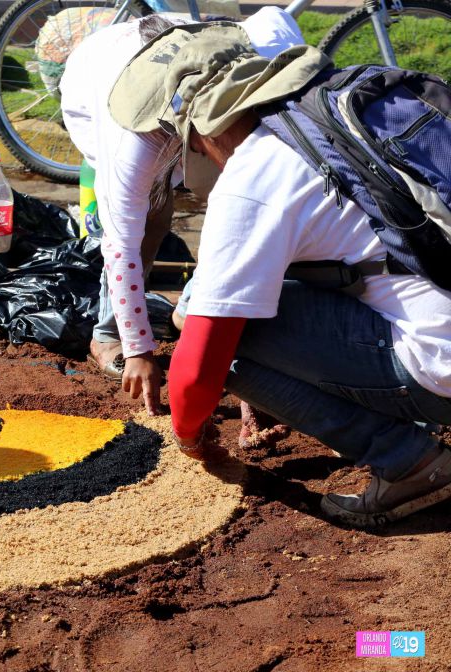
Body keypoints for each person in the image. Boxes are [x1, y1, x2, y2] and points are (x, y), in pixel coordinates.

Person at [108, 24, 451, 526]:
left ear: (201, 131)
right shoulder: (328, 107)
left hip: (439, 365)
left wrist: (189, 432)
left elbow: (199, 364)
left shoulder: (254, 175)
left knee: (223, 339)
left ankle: (410, 463)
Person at [59, 7, 304, 415]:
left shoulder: (244, 63)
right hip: (99, 82)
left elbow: (275, 19)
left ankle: (192, 310)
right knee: (149, 221)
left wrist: (212, 324)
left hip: (181, 66)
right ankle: (107, 334)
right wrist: (138, 349)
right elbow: (119, 245)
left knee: (246, 201)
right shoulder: (132, 142)